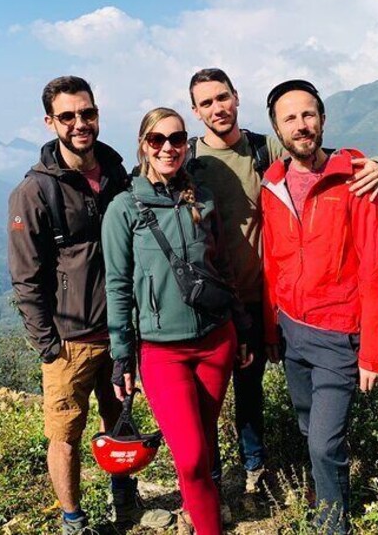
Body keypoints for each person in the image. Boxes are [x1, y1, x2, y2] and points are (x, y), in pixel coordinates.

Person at [186, 68, 378, 499]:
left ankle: (304, 501)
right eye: (206, 103)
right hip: (231, 305)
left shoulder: (275, 156)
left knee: (293, 419)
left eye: (223, 97)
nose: (217, 108)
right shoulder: (194, 162)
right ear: (196, 111)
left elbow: (375, 263)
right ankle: (217, 483)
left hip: (306, 316)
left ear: (237, 98)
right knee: (219, 399)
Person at [8, 76, 171, 534]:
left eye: (88, 113)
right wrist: (48, 345)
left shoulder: (118, 172)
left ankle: (127, 507)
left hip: (120, 331)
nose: (80, 123)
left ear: (98, 113)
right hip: (69, 340)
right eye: (68, 116)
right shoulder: (35, 192)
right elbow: (25, 276)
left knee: (119, 422)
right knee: (65, 436)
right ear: (50, 122)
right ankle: (73, 521)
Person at [103, 107, 252, 535]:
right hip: (162, 350)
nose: (168, 147)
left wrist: (240, 327)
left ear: (186, 145)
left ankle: (197, 512)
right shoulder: (124, 209)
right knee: (188, 456)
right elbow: (117, 285)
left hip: (215, 340)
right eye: (157, 140)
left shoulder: (201, 198)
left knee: (203, 447)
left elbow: (220, 266)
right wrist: (122, 356)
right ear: (143, 146)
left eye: (177, 139)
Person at [260, 79, 378, 533]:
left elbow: (377, 266)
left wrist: (372, 352)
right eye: (290, 118)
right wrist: (270, 329)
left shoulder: (354, 178)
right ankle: (326, 491)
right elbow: (272, 263)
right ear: (277, 129)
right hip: (292, 330)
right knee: (306, 428)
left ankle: (333, 525)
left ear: (322, 119)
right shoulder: (272, 185)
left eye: (308, 115)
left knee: (322, 443)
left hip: (340, 335)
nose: (301, 125)